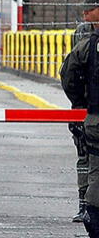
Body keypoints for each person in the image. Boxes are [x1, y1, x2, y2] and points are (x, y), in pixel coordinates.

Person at [70, 20, 94, 223]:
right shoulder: (84, 33)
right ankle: (85, 205)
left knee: (87, 159)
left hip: (85, 107)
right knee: (86, 158)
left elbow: (67, 74)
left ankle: (86, 206)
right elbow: (69, 74)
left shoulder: (83, 33)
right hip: (85, 107)